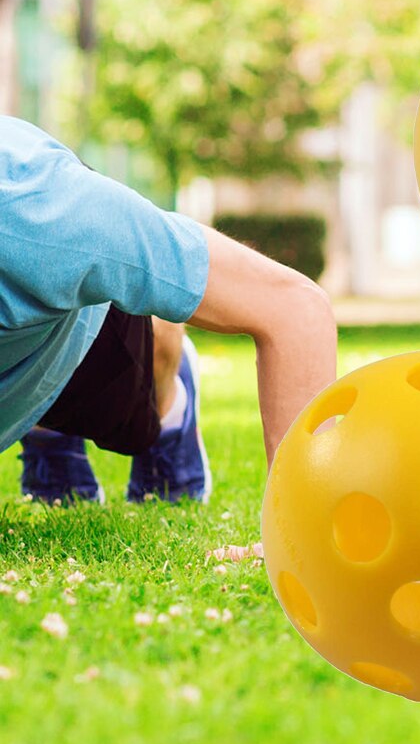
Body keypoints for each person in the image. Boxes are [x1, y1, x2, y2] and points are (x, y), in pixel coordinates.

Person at [1, 115, 338, 504]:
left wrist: (299, 523)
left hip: (75, 336)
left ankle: (165, 403)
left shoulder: (44, 212)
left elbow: (293, 307)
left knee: (134, 396)